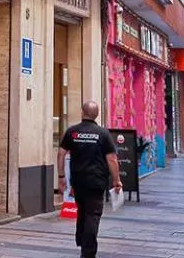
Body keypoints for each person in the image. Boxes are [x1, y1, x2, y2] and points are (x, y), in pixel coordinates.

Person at [58, 100, 122, 258]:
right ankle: (88, 251)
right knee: (92, 214)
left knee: (82, 210)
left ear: (82, 112)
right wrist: (116, 180)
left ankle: (81, 239)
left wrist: (61, 176)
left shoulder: (73, 132)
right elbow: (112, 158)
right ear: (97, 114)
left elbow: (61, 153)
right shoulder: (103, 134)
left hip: (78, 181)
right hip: (96, 181)